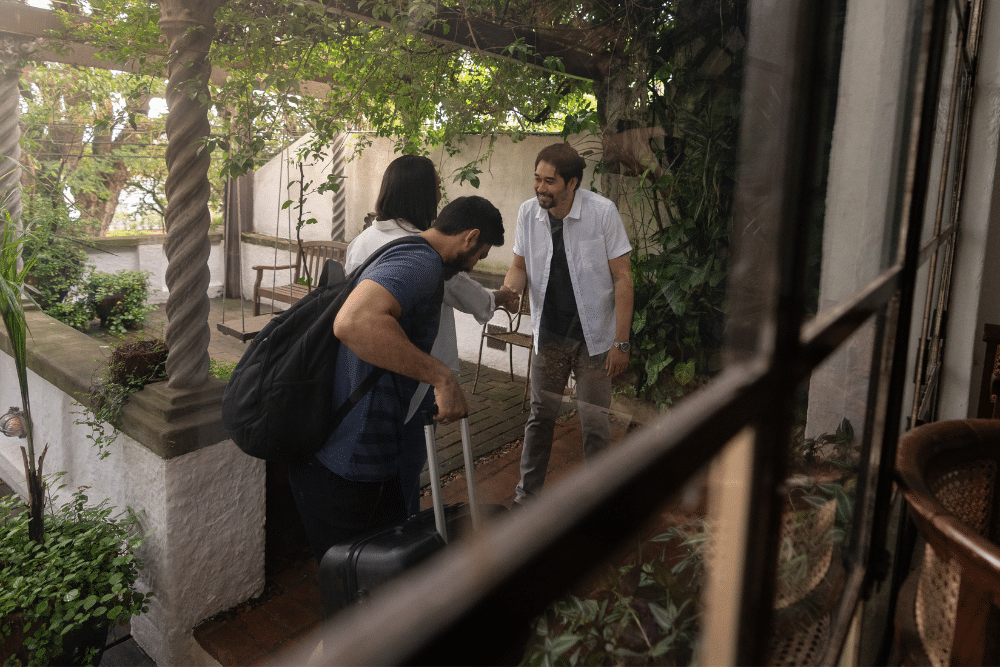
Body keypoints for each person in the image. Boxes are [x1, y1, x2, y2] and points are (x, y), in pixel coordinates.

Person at [287, 195, 505, 564]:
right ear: (469, 238)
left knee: (370, 568)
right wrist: (443, 378)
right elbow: (353, 323)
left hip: (358, 447)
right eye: (479, 255)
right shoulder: (420, 262)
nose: (473, 264)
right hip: (350, 454)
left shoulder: (407, 249)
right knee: (358, 579)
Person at [345, 155, 518, 515]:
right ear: (421, 195)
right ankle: (408, 534)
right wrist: (497, 298)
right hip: (419, 378)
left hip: (366, 372)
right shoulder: (423, 251)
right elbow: (463, 289)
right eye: (436, 190)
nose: (440, 200)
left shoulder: (362, 241)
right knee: (408, 463)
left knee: (380, 465)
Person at [502, 143, 634, 507]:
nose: (540, 188)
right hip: (549, 337)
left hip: (594, 340)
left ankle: (600, 502)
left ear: (572, 182)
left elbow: (623, 278)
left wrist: (620, 343)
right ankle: (526, 500)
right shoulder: (528, 213)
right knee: (540, 418)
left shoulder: (602, 213)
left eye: (550, 181)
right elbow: (518, 265)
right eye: (537, 179)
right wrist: (509, 291)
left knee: (594, 423)